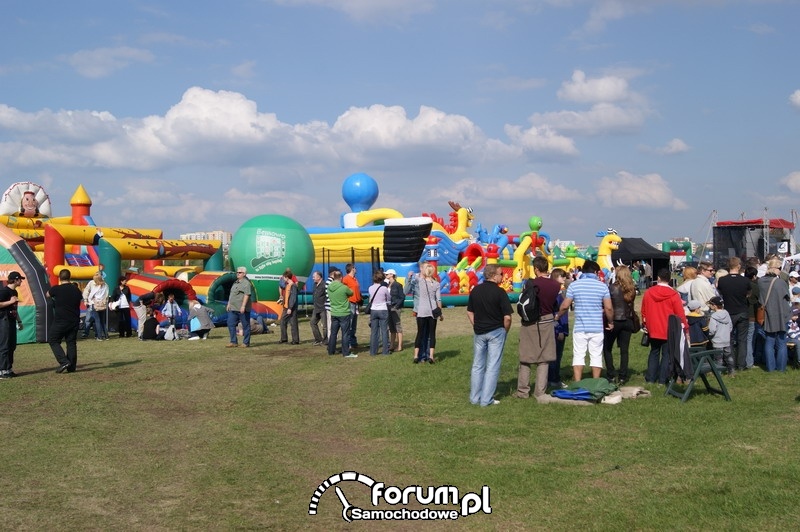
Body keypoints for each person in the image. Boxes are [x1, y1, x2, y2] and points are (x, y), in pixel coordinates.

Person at [555, 260, 613, 382]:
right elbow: (608, 307)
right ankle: (595, 381)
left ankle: (578, 382)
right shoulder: (602, 286)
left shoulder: (575, 285)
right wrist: (610, 321)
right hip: (596, 327)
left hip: (580, 326)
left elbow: (565, 306)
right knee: (596, 355)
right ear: (596, 272)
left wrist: (558, 316)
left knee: (578, 355)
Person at [513, 257, 561, 402]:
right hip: (547, 320)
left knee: (526, 357)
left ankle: (523, 390)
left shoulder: (530, 283)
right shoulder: (555, 285)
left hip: (530, 321)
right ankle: (540, 392)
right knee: (544, 358)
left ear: (536, 269)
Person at [467, 264, 513, 407]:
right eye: (500, 274)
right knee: (492, 366)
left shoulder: (475, 291)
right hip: (496, 331)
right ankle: (486, 399)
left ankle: (475, 397)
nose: (502, 276)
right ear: (493, 275)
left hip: (480, 332)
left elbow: (469, 311)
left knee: (477, 365)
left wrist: (476, 325)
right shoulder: (500, 293)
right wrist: (505, 331)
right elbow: (508, 317)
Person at [640, 268, 688, 385]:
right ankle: (662, 379)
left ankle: (650, 378)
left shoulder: (649, 292)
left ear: (658, 278)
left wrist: (645, 323)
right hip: (668, 329)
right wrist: (685, 327)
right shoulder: (673, 294)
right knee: (667, 355)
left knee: (654, 352)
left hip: (653, 327)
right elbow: (679, 313)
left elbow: (643, 311)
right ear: (670, 279)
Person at [715, 257, 751, 371]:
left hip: (729, 311)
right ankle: (741, 365)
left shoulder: (722, 280)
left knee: (728, 339)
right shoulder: (745, 280)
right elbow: (748, 294)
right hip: (742, 311)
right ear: (739, 266)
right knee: (742, 340)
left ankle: (730, 363)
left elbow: (720, 292)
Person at [603, 265, 636, 385]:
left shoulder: (612, 288)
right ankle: (623, 376)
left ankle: (611, 374)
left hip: (615, 320)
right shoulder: (631, 289)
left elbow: (608, 305)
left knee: (607, 348)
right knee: (624, 350)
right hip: (627, 320)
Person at [405, 262, 443, 364]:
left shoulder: (421, 281)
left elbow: (416, 278)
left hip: (421, 310)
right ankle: (431, 356)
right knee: (432, 334)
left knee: (420, 333)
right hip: (432, 311)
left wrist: (411, 275)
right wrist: (440, 313)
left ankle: (416, 355)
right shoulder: (436, 284)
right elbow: (438, 300)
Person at [47, 270, 84, 373]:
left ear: (59, 277)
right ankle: (71, 367)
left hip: (61, 320)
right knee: (71, 342)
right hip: (74, 320)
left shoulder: (56, 289)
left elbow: (47, 294)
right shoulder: (76, 290)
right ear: (69, 277)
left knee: (53, 339)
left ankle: (63, 361)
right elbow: (80, 300)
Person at [758, 258, 791, 372]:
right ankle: (781, 368)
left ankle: (770, 368)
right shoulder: (780, 282)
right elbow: (787, 296)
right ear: (776, 268)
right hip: (781, 313)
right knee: (781, 341)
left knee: (769, 341)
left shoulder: (760, 281)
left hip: (768, 314)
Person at [326, 270, 356, 358]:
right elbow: (351, 293)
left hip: (334, 312)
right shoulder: (343, 287)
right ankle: (346, 352)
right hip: (344, 313)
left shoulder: (329, 287)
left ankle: (331, 350)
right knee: (345, 333)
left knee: (333, 333)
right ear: (341, 278)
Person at [0, 272, 24, 379]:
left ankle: (8, 368)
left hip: (12, 320)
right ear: (15, 280)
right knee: (4, 346)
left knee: (12, 345)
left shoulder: (14, 292)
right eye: (20, 279)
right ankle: (2, 370)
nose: (21, 281)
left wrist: (19, 321)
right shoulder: (4, 291)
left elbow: (14, 308)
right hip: (3, 320)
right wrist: (10, 302)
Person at [548, 268, 569, 389]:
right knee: (556, 355)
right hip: (558, 328)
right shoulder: (557, 294)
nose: (564, 278)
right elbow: (556, 313)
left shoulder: (560, 292)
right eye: (562, 276)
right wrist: (560, 330)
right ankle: (554, 379)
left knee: (556, 355)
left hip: (560, 327)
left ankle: (552, 377)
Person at [707, 296, 735, 376]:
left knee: (718, 358)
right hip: (726, 339)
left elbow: (712, 330)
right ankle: (731, 371)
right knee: (729, 356)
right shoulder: (726, 313)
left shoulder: (713, 317)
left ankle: (718, 373)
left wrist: (709, 335)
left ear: (714, 306)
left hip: (717, 340)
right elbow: (730, 327)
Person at [367, 270, 391, 356]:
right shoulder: (384, 288)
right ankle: (385, 351)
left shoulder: (370, 288)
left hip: (373, 310)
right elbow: (388, 298)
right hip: (383, 309)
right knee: (384, 331)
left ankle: (373, 351)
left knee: (374, 331)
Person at [227, 267, 252, 348]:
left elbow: (247, 295)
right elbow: (232, 294)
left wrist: (243, 306)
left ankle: (246, 342)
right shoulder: (235, 283)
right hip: (233, 308)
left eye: (240, 272)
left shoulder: (246, 283)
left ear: (244, 274)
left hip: (242, 309)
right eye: (237, 272)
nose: (238, 273)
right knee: (230, 324)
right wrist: (229, 304)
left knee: (246, 325)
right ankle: (233, 341)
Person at [82, 272, 109, 341]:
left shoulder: (94, 285)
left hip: (95, 304)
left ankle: (99, 336)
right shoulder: (105, 285)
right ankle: (106, 335)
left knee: (97, 320)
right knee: (102, 321)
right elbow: (106, 295)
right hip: (102, 304)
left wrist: (86, 300)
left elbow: (89, 294)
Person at [341, 264, 362, 352]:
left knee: (354, 324)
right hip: (350, 303)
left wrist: (360, 298)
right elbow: (343, 291)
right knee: (349, 323)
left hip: (356, 303)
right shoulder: (346, 279)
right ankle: (348, 343)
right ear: (351, 269)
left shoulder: (355, 279)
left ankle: (353, 342)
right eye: (354, 268)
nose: (356, 269)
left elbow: (356, 290)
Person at [385, 269, 405, 352]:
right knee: (391, 327)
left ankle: (400, 345)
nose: (386, 275)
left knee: (397, 326)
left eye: (387, 274)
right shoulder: (387, 285)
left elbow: (402, 297)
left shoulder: (397, 285)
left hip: (395, 307)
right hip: (388, 307)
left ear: (391, 275)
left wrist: (396, 306)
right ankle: (392, 345)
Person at [279, 270, 299, 344]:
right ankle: (284, 338)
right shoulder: (287, 285)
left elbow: (293, 297)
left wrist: (290, 308)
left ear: (287, 277)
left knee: (293, 323)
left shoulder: (293, 286)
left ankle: (295, 340)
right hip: (286, 306)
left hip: (291, 308)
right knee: (282, 321)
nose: (283, 279)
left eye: (284, 277)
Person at [309, 271, 327, 346]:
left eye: (314, 276)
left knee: (325, 326)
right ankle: (318, 339)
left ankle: (326, 341)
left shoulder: (324, 285)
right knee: (312, 322)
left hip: (323, 308)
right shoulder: (315, 285)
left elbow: (327, 295)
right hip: (316, 308)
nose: (313, 278)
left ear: (319, 277)